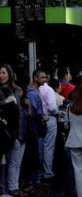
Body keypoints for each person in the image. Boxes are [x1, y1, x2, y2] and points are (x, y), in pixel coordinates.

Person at [0, 64, 23, 197]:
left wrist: (19, 133)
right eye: (0, 73)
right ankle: (4, 191)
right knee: (3, 162)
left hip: (14, 131)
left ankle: (11, 188)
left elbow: (19, 112)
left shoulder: (15, 90)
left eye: (3, 73)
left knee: (14, 161)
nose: (1, 76)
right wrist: (6, 102)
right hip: (3, 131)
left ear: (9, 73)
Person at [39, 76, 58, 183]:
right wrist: (56, 112)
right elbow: (52, 108)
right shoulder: (48, 90)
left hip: (38, 119)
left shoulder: (34, 89)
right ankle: (47, 172)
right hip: (49, 118)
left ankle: (40, 172)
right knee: (48, 147)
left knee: (40, 145)